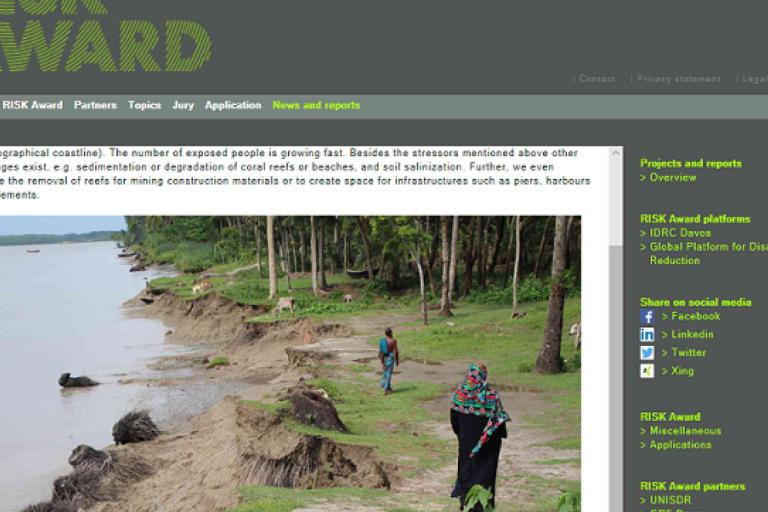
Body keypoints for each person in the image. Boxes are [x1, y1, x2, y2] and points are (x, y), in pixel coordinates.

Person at [450, 363, 509, 511]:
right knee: (486, 477)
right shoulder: (492, 396)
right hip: (489, 447)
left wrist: (464, 436)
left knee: (467, 473)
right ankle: (484, 507)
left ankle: (466, 504)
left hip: (467, 446)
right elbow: (499, 424)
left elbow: (454, 422)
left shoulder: (459, 395)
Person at [378, 327, 399, 394]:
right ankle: (386, 389)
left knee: (385, 372)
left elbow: (380, 352)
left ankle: (387, 386)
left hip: (384, 357)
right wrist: (397, 360)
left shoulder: (382, 341)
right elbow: (396, 352)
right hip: (390, 357)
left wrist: (382, 362)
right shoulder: (393, 341)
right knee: (389, 373)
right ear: (391, 333)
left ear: (385, 334)